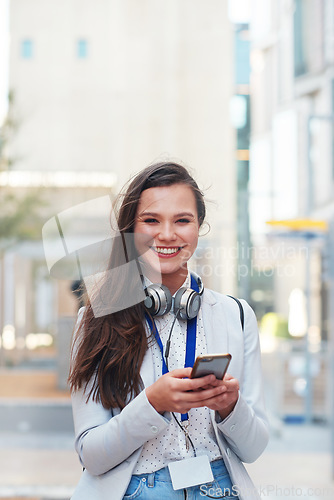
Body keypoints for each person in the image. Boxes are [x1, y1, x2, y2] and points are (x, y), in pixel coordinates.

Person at [68, 161, 269, 500]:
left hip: (218, 488)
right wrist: (152, 403)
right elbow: (91, 454)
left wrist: (231, 407)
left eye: (182, 220)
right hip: (136, 489)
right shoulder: (95, 319)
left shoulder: (237, 315)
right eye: (150, 220)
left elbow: (254, 448)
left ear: (199, 226)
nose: (166, 234)